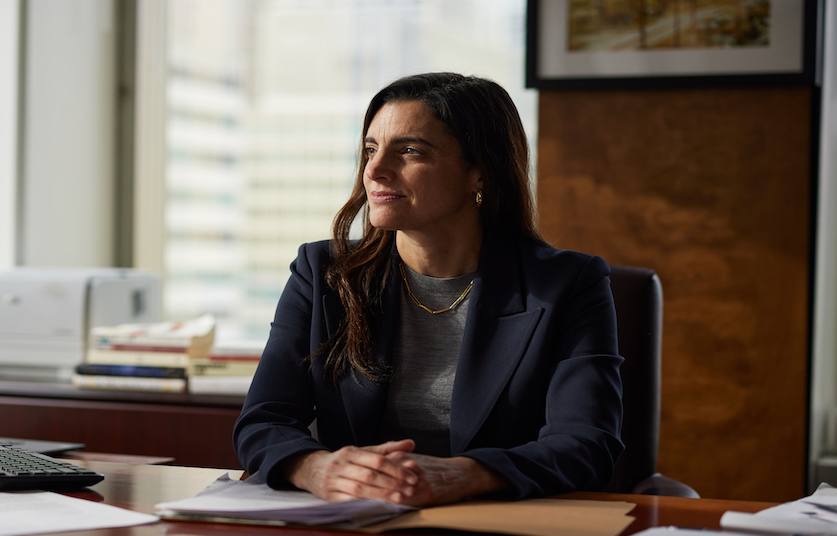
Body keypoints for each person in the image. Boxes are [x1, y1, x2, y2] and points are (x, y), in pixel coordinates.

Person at [233, 72, 623, 507]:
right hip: (354, 527)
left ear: (479, 172)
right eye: (370, 150)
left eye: (410, 151)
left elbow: (585, 443)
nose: (375, 170)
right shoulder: (323, 271)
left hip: (497, 533)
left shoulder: (567, 283)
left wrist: (460, 476)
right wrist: (317, 469)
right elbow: (263, 422)